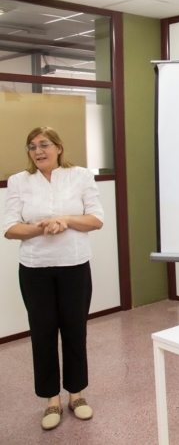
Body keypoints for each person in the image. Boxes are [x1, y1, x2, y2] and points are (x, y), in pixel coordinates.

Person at [3, 126, 104, 431]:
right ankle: (51, 400)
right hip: (35, 269)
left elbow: (96, 219)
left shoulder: (80, 176)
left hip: (74, 266)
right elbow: (10, 228)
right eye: (32, 146)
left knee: (74, 330)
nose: (38, 151)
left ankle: (76, 395)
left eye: (44, 144)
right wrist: (42, 227)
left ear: (59, 147)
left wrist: (66, 220)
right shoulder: (19, 181)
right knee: (43, 333)